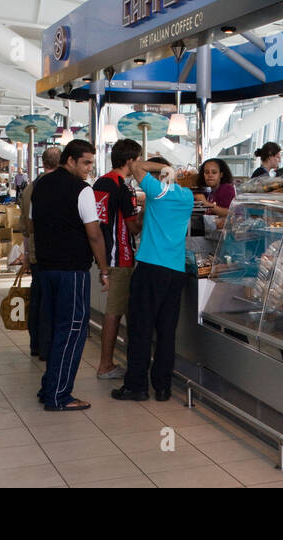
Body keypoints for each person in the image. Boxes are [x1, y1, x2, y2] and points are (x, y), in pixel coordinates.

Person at [32, 139, 109, 411]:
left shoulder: (41, 184)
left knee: (55, 329)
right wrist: (104, 268)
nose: (89, 168)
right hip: (72, 271)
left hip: (45, 268)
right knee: (73, 330)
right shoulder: (82, 190)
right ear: (71, 160)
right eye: (86, 162)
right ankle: (59, 395)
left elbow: (33, 223)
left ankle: (49, 387)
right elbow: (94, 234)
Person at [113, 155, 194, 403]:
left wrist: (163, 167)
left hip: (150, 268)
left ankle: (136, 386)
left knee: (141, 329)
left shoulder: (158, 191)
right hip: (175, 270)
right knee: (166, 331)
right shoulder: (187, 196)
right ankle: (163, 387)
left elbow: (136, 167)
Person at [93, 139, 142, 379]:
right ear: (130, 161)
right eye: (139, 160)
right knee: (114, 312)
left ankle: (107, 362)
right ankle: (106, 365)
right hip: (121, 256)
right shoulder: (124, 188)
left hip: (104, 254)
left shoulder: (101, 182)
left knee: (111, 311)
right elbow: (133, 227)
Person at [18, 146, 60, 361]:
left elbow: (24, 227)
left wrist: (26, 255)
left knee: (37, 299)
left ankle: (36, 344)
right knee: (48, 302)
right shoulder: (54, 188)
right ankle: (46, 346)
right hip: (50, 251)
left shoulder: (29, 188)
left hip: (34, 250)